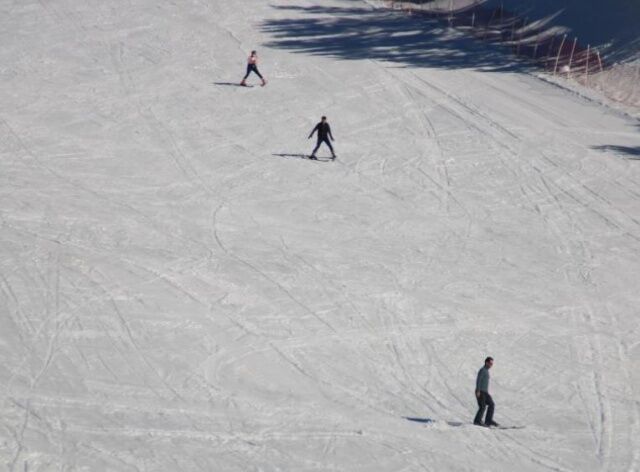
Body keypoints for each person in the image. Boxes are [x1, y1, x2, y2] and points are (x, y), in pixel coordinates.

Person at [474, 356, 499, 427]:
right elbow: (478, 380)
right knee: (482, 406)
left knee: (491, 404)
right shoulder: (482, 370)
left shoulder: (486, 371)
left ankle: (488, 420)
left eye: (492, 364)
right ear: (486, 362)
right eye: (490, 363)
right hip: (480, 391)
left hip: (485, 392)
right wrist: (478, 390)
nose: (491, 365)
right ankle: (477, 421)